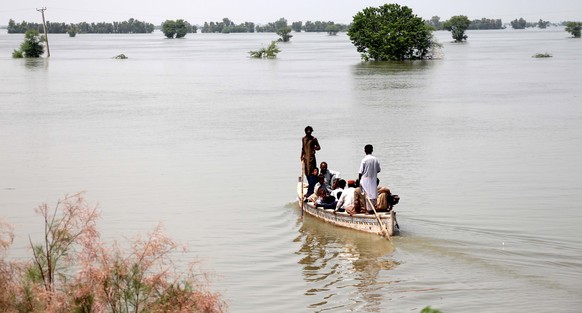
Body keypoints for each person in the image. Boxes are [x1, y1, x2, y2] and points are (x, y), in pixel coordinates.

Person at [359, 144, 381, 214]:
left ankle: (368, 210)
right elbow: (378, 170)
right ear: (372, 150)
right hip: (373, 180)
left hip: (364, 180)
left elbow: (360, 172)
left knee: (366, 196)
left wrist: (359, 181)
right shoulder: (375, 159)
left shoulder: (364, 160)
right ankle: (372, 209)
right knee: (373, 195)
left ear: (365, 151)